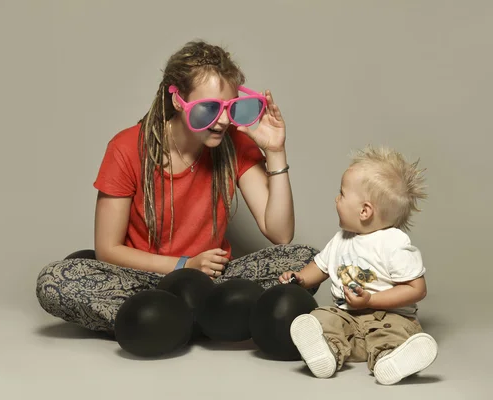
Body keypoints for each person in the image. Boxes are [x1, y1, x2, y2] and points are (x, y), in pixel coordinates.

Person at [36, 40, 320, 334]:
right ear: (177, 100)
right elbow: (108, 250)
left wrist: (275, 151)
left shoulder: (234, 143)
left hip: (213, 281)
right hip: (141, 280)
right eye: (209, 108)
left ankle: (164, 323)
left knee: (308, 263)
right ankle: (210, 319)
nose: (223, 120)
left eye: (231, 107)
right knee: (54, 280)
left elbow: (280, 234)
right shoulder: (126, 148)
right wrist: (185, 264)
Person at [279, 146, 437, 385]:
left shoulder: (393, 243)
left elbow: (417, 289)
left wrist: (371, 301)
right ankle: (327, 352)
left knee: (393, 332)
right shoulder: (342, 239)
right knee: (324, 317)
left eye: (341, 194)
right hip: (349, 317)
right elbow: (320, 267)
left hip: (389, 317)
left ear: (364, 211)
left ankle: (390, 359)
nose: (336, 199)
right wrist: (300, 278)